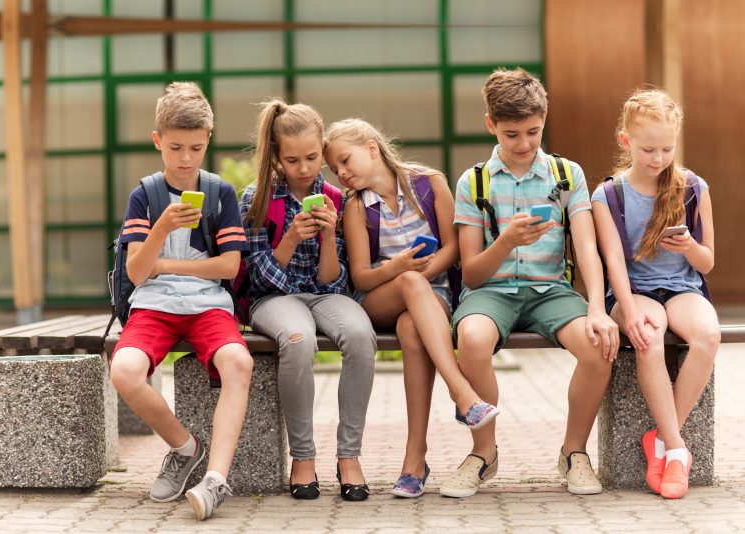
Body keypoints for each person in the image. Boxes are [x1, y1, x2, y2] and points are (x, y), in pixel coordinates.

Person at [442, 68, 619, 498]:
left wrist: (597, 309)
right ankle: (484, 453)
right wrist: (506, 241)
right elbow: (472, 272)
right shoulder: (474, 182)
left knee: (598, 344)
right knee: (472, 339)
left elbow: (587, 248)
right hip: (490, 292)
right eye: (511, 134)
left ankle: (574, 453)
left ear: (544, 120)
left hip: (551, 292)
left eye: (533, 132)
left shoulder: (566, 175)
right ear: (491, 125)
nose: (523, 144)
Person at [324, 118, 498, 499]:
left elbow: (453, 248)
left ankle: (414, 461)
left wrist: (422, 273)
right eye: (334, 169)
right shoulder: (356, 208)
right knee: (409, 285)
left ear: (372, 148)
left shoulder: (429, 183)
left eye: (345, 160)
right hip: (379, 298)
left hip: (433, 296)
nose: (341, 173)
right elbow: (361, 277)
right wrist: (401, 269)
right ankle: (462, 393)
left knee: (410, 329)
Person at [109, 82, 253, 520]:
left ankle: (216, 479)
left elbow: (229, 266)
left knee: (239, 363)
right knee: (124, 370)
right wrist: (162, 229)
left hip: (208, 306)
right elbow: (138, 272)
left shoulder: (220, 193)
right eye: (175, 148)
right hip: (153, 306)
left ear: (208, 139)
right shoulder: (145, 195)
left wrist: (167, 266)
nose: (185, 158)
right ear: (158, 141)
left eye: (195, 147)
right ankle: (185, 447)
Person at [240, 99, 377, 502]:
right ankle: (303, 457)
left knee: (360, 335)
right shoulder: (256, 198)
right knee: (299, 340)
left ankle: (349, 456)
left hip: (323, 294)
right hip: (273, 299)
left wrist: (327, 236)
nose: (304, 168)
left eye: (313, 157)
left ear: (322, 151)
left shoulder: (338, 198)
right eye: (292, 160)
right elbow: (259, 278)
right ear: (276, 157)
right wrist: (290, 238)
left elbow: (335, 282)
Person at [592, 88, 718, 499]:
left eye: (667, 148)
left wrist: (689, 247)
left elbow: (706, 263)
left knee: (708, 335)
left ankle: (662, 440)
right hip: (633, 291)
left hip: (683, 287)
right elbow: (613, 260)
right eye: (648, 149)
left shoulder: (693, 187)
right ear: (625, 141)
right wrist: (628, 311)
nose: (658, 159)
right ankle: (677, 450)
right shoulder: (609, 195)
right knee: (648, 335)